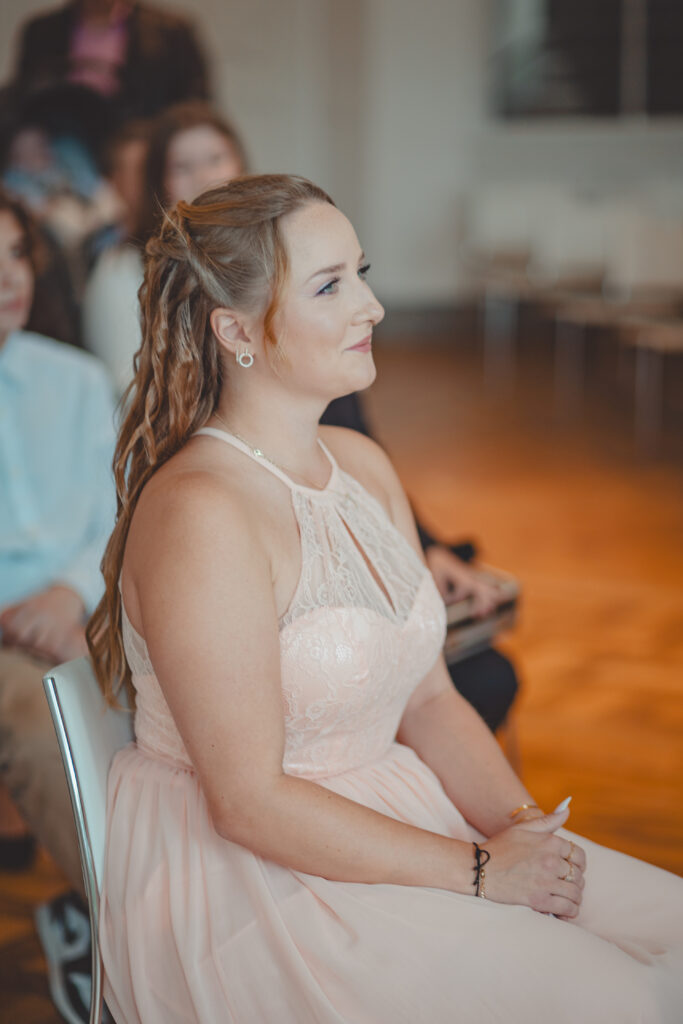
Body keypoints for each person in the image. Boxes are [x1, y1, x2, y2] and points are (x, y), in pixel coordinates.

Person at [89, 174, 683, 1023]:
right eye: (331, 286)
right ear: (235, 332)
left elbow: (431, 698)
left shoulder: (360, 465)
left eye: (361, 273)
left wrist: (522, 832)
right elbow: (248, 801)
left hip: (399, 811)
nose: (372, 307)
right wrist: (483, 872)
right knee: (622, 1002)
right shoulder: (200, 514)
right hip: (259, 877)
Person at [0, 189, 116, 882]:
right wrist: (25, 623)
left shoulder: (75, 379)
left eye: (17, 254)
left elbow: (114, 517)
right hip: (13, 636)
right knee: (54, 727)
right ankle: (125, 951)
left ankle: (202, 920)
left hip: (85, 612)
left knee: (186, 700)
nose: (11, 276)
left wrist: (71, 602)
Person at [322, 390, 519, 732]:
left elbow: (373, 488)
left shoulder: (358, 444)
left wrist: (428, 549)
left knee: (493, 677)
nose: (369, 331)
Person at [82, 101, 246, 395]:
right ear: (159, 181)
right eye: (182, 166)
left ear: (240, 164)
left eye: (216, 159)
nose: (204, 178)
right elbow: (129, 390)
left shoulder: (264, 253)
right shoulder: (122, 270)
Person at [12, 0, 209, 128]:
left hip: (143, 145)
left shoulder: (171, 31)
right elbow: (22, 98)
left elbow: (195, 104)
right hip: (62, 141)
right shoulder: (42, 31)